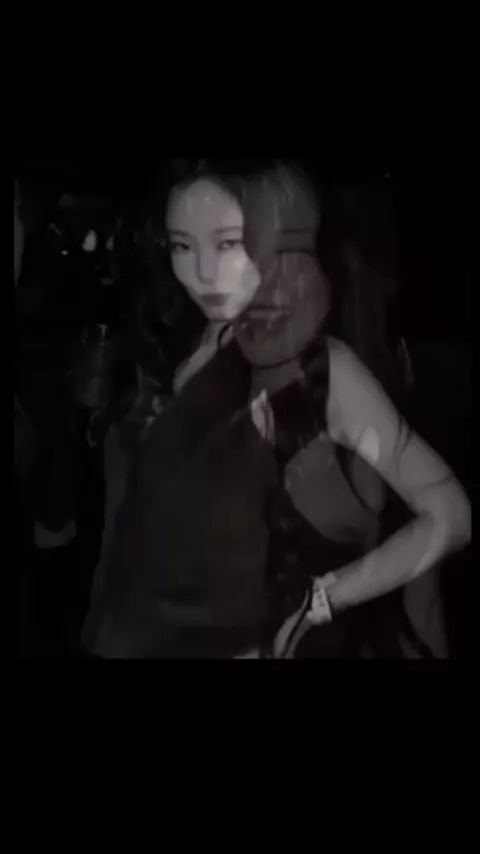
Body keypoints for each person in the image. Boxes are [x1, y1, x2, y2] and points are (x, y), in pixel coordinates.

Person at [82, 160, 470, 659]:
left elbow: (451, 513)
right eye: (183, 246)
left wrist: (325, 598)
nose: (203, 273)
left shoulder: (326, 370)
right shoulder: (197, 346)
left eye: (228, 243)